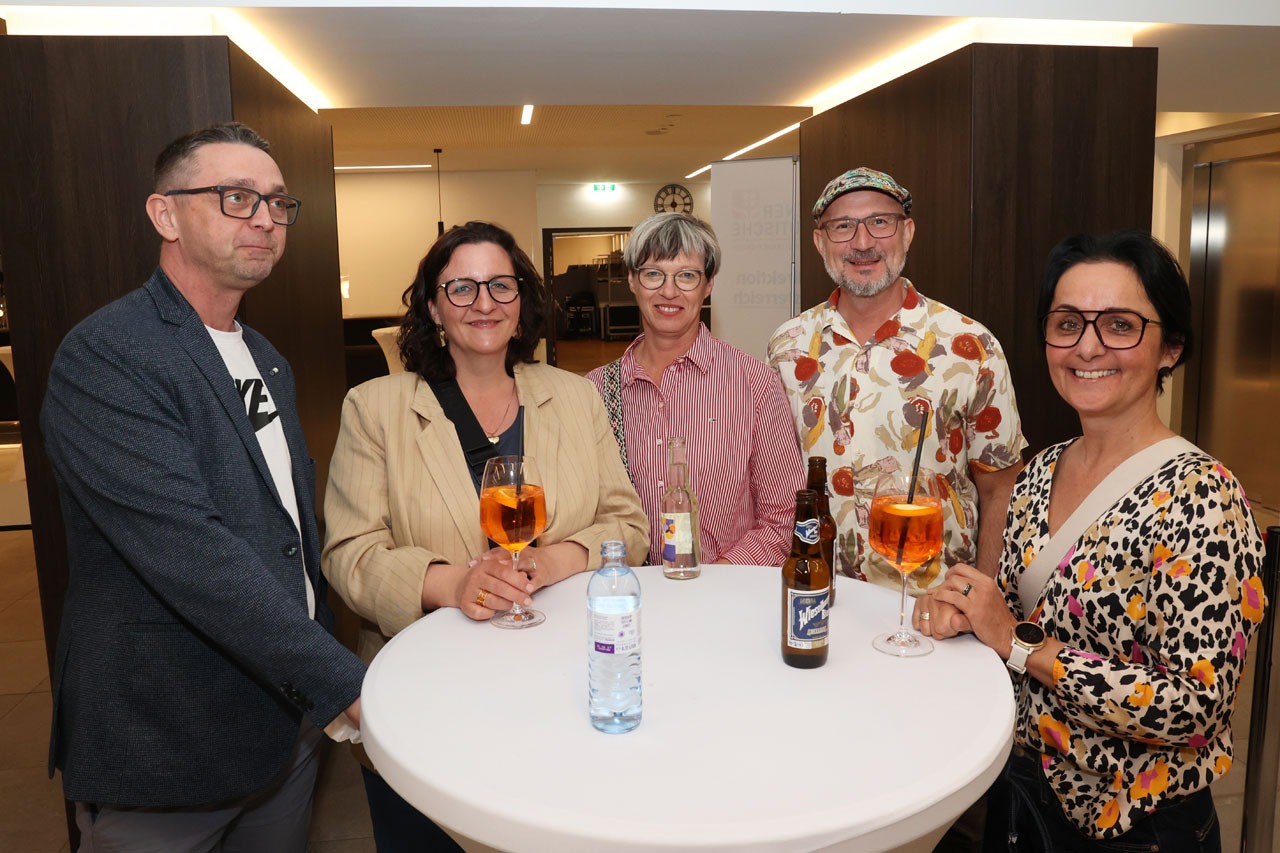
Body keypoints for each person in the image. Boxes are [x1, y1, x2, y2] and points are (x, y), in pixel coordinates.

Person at [40, 122, 366, 850]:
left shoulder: (266, 357)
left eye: (277, 202)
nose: (265, 219)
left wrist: (315, 686)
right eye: (236, 197)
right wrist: (345, 682)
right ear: (165, 214)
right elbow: (191, 553)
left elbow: (286, 533)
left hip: (284, 730)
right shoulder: (110, 353)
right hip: (168, 735)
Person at [916, 230, 1267, 851]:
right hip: (1021, 794)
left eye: (1120, 325)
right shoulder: (1041, 472)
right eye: (1068, 323)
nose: (1087, 346)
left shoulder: (1203, 497)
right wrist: (967, 617)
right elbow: (1015, 618)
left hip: (1134, 820)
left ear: (1170, 348)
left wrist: (1017, 642)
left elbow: (1195, 707)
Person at [322, 220, 648, 849]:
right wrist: (452, 584)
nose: (484, 303)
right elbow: (349, 554)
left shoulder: (575, 398)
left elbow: (627, 524)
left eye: (501, 285)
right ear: (433, 306)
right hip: (428, 698)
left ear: (522, 301)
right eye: (462, 288)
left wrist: (554, 561)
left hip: (561, 684)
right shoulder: (375, 408)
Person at [767, 167, 1025, 590]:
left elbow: (1001, 488)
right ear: (819, 242)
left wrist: (980, 593)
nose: (862, 242)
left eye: (880, 222)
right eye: (843, 226)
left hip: (932, 604)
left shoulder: (970, 347)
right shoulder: (786, 348)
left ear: (907, 232)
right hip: (817, 595)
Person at [587, 212, 804, 566]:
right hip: (627, 590)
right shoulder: (594, 392)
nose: (669, 291)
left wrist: (712, 582)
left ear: (709, 284)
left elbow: (784, 516)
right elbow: (581, 515)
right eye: (653, 273)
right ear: (632, 280)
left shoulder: (754, 383)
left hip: (726, 591)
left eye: (687, 275)